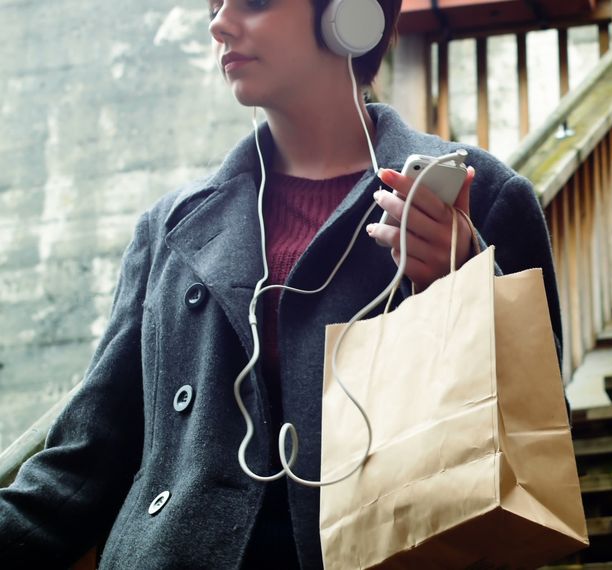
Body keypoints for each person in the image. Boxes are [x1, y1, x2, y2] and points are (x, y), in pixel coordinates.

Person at [0, 0, 562, 567]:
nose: (219, 24)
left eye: (253, 2)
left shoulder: (477, 197)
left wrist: (459, 277)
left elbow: (531, 431)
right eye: (214, 5)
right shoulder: (170, 227)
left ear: (348, 14)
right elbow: (81, 466)